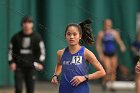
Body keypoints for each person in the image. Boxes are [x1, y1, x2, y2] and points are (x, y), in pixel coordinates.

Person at [51, 19, 106, 93]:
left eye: (74, 34)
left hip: (81, 90)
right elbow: (59, 65)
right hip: (64, 89)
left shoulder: (86, 53)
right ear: (65, 36)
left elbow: (102, 72)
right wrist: (55, 76)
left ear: (80, 36)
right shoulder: (60, 53)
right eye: (69, 34)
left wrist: (84, 77)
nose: (71, 37)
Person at [8, 16, 45, 93]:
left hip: (31, 67)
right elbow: (10, 51)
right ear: (22, 24)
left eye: (29, 22)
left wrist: (40, 63)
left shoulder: (37, 37)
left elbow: (42, 51)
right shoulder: (16, 37)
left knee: (30, 90)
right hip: (19, 67)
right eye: (25, 22)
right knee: (18, 89)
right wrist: (11, 62)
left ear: (32, 24)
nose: (27, 25)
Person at [96, 19, 126, 89]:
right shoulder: (101, 33)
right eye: (106, 24)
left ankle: (112, 85)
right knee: (108, 69)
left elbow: (119, 41)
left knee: (113, 70)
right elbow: (98, 45)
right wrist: (100, 54)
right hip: (106, 54)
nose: (107, 25)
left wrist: (122, 46)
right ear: (104, 24)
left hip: (113, 54)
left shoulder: (114, 33)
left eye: (109, 24)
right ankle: (104, 82)